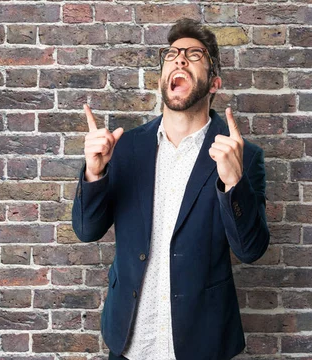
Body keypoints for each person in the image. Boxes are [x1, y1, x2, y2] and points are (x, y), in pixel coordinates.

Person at [72, 18, 270, 360]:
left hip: (202, 345)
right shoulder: (126, 147)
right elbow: (87, 230)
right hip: (131, 343)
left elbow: (250, 250)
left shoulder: (242, 155)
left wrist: (234, 182)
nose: (179, 59)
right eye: (172, 54)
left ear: (213, 83)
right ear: (163, 78)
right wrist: (94, 172)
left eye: (194, 54)